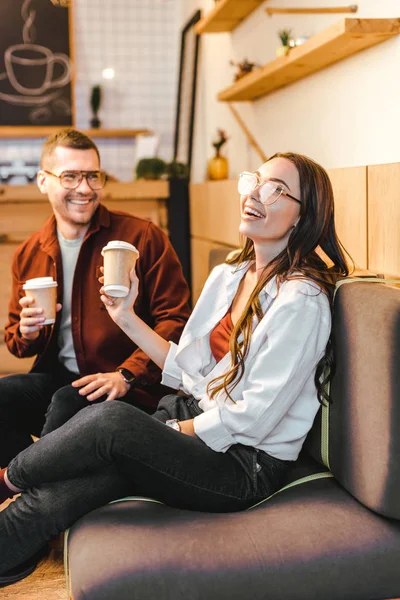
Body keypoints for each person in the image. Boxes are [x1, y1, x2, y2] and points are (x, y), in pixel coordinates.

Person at [0, 152, 350, 587]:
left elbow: (255, 417)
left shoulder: (303, 301)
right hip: (194, 423)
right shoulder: (231, 274)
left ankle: (7, 478)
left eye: (276, 189)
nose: (254, 194)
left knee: (111, 421)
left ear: (304, 217)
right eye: (254, 181)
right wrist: (125, 316)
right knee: (79, 481)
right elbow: (188, 370)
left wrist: (171, 432)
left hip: (243, 465)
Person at [0, 128, 191, 467]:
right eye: (70, 177)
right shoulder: (29, 253)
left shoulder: (142, 237)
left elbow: (176, 320)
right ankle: (29, 486)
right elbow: (17, 342)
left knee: (65, 402)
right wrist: (26, 333)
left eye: (92, 176)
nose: (85, 189)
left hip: (131, 385)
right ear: (43, 181)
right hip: (63, 376)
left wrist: (128, 374)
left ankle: (33, 491)